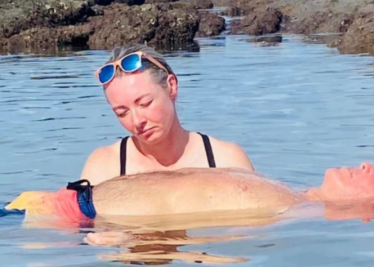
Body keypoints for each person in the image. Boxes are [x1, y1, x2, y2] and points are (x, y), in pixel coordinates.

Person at [0, 161, 374, 228]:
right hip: (68, 205)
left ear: (363, 210)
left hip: (72, 222)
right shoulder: (282, 189)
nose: (366, 165)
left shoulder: (289, 212)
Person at [81, 45, 254, 185]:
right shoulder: (104, 168)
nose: (136, 121)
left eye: (145, 104)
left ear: (172, 86)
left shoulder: (225, 161)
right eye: (122, 112)